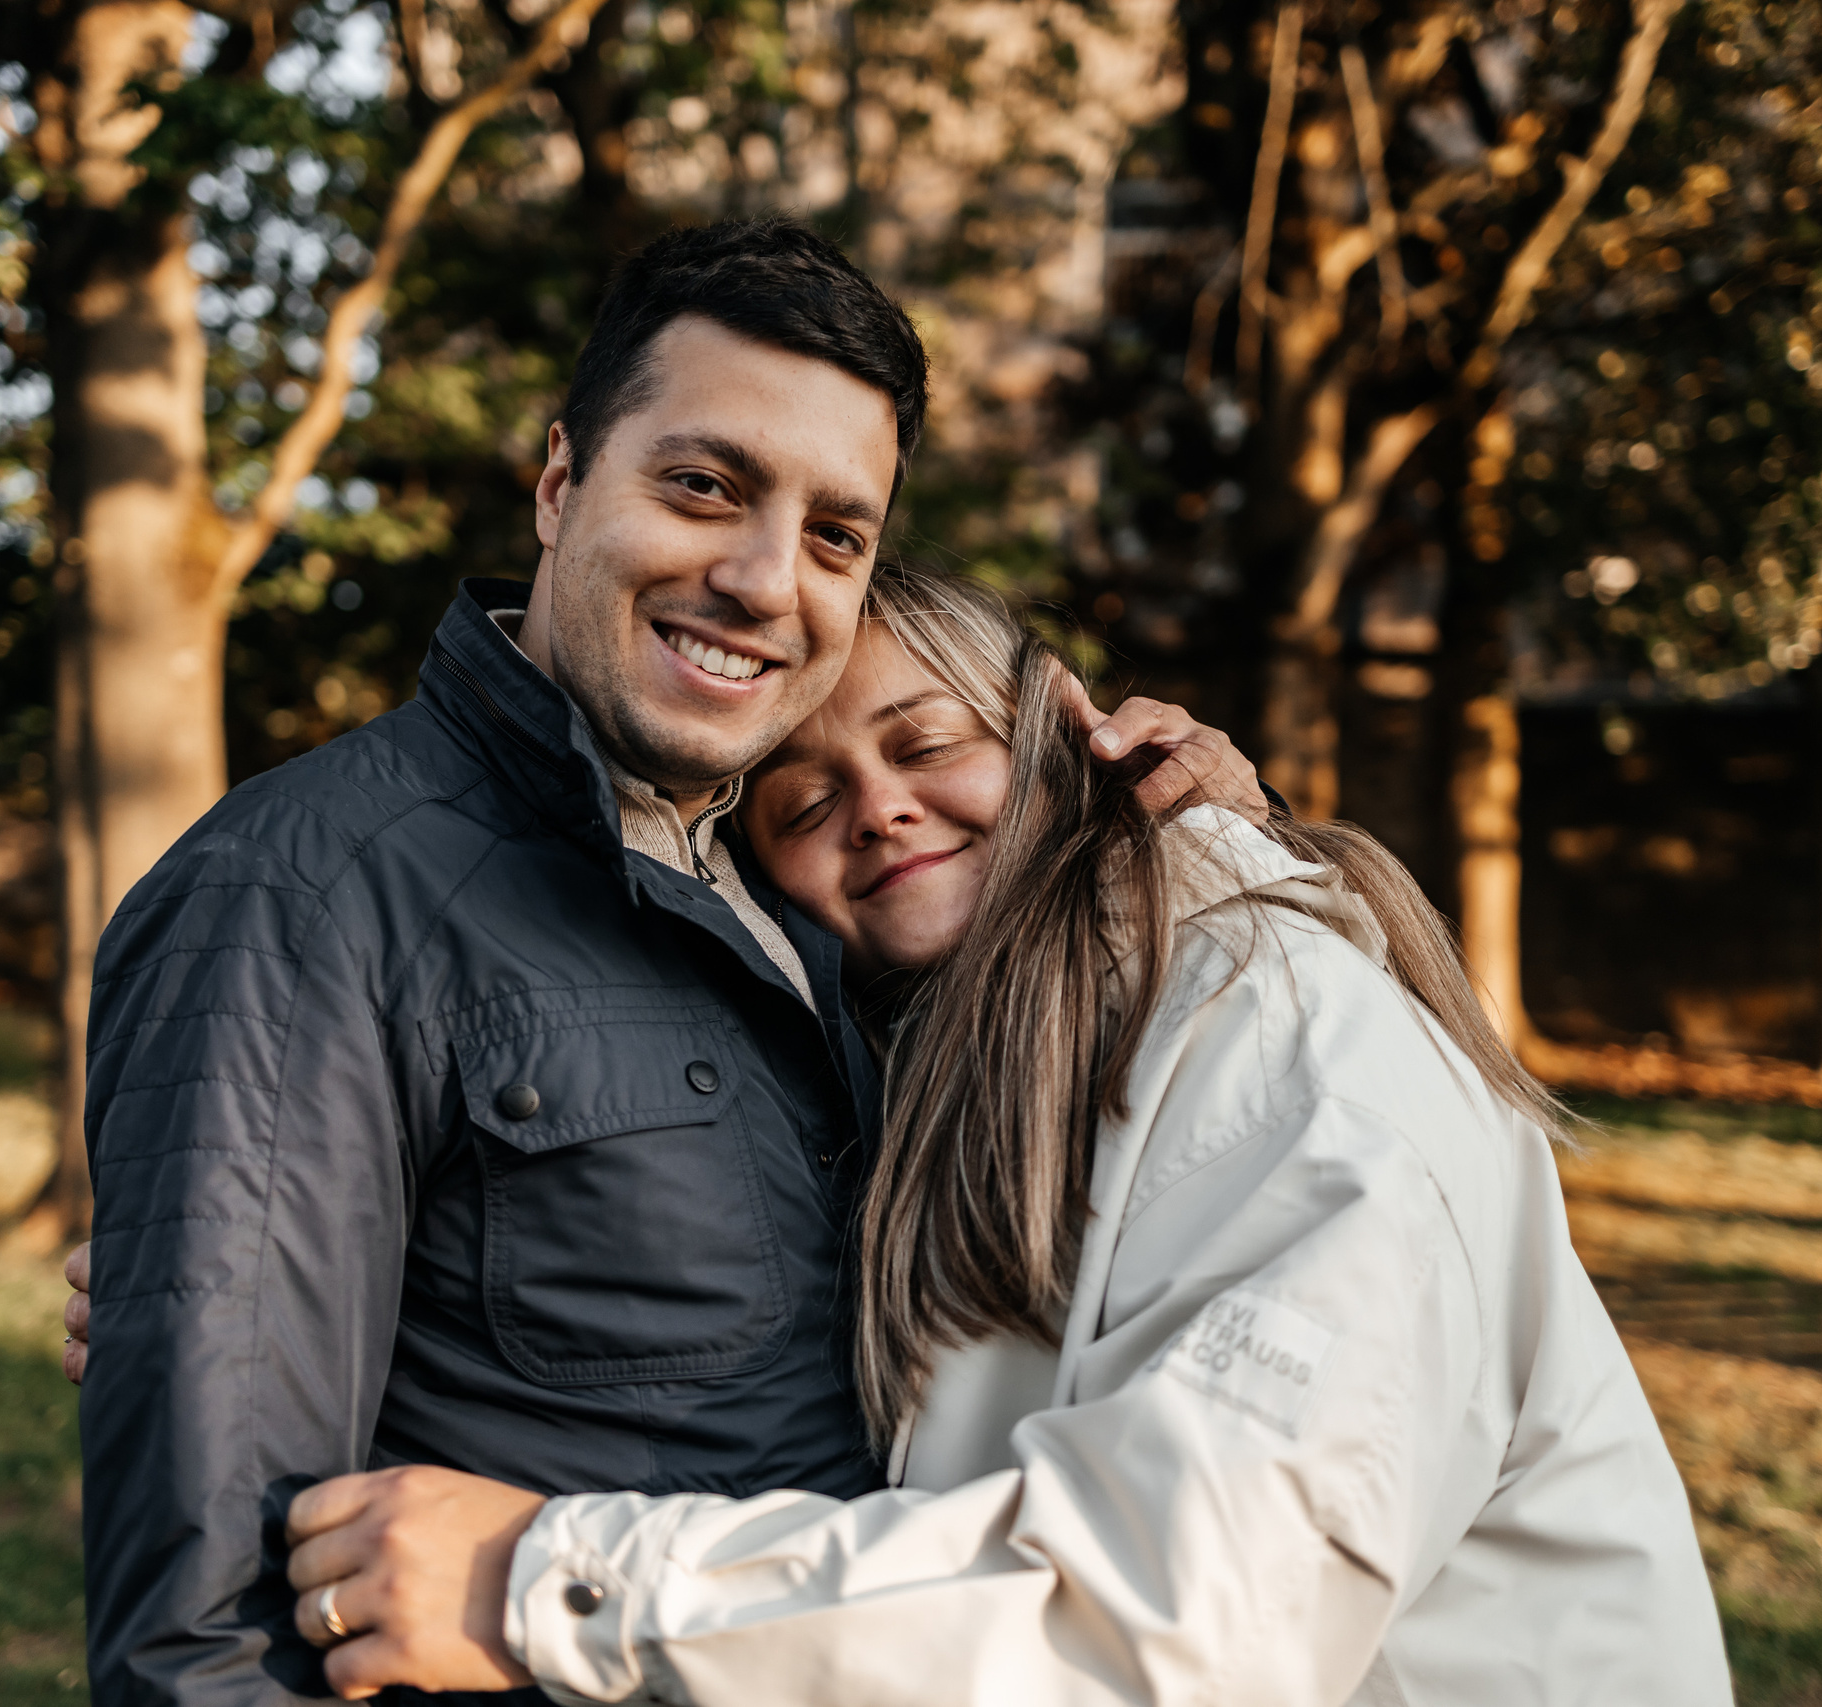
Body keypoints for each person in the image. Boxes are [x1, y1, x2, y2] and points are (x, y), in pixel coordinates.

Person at [69, 218, 1266, 1703]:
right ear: (560, 482)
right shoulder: (306, 894)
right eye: (704, 486)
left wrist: (1199, 845)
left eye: (836, 536)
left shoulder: (807, 887)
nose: (767, 580)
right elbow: (210, 1636)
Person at [267, 562, 1735, 1704]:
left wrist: (545, 1585)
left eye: (929, 743)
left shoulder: (1279, 1038)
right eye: (804, 802)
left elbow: (1189, 1616)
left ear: (1058, 728)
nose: (880, 810)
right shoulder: (940, 1066)